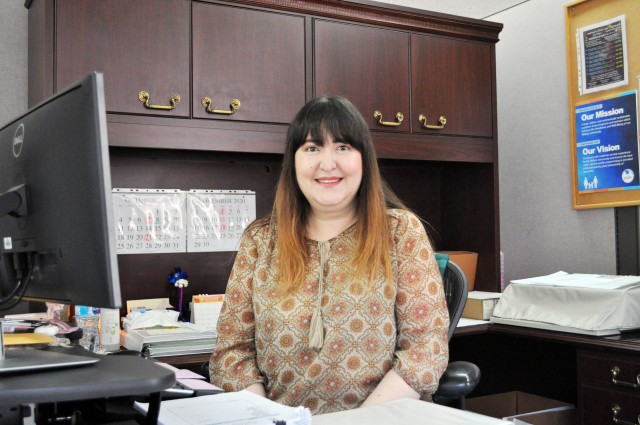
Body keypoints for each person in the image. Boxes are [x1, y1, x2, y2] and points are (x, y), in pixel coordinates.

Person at [209, 96, 450, 415]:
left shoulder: (400, 232)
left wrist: (359, 422)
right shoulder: (260, 240)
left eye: (343, 147)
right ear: (293, 161)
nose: (327, 163)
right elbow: (232, 352)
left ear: (364, 158)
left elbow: (424, 350)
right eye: (312, 148)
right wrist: (271, 419)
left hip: (383, 419)